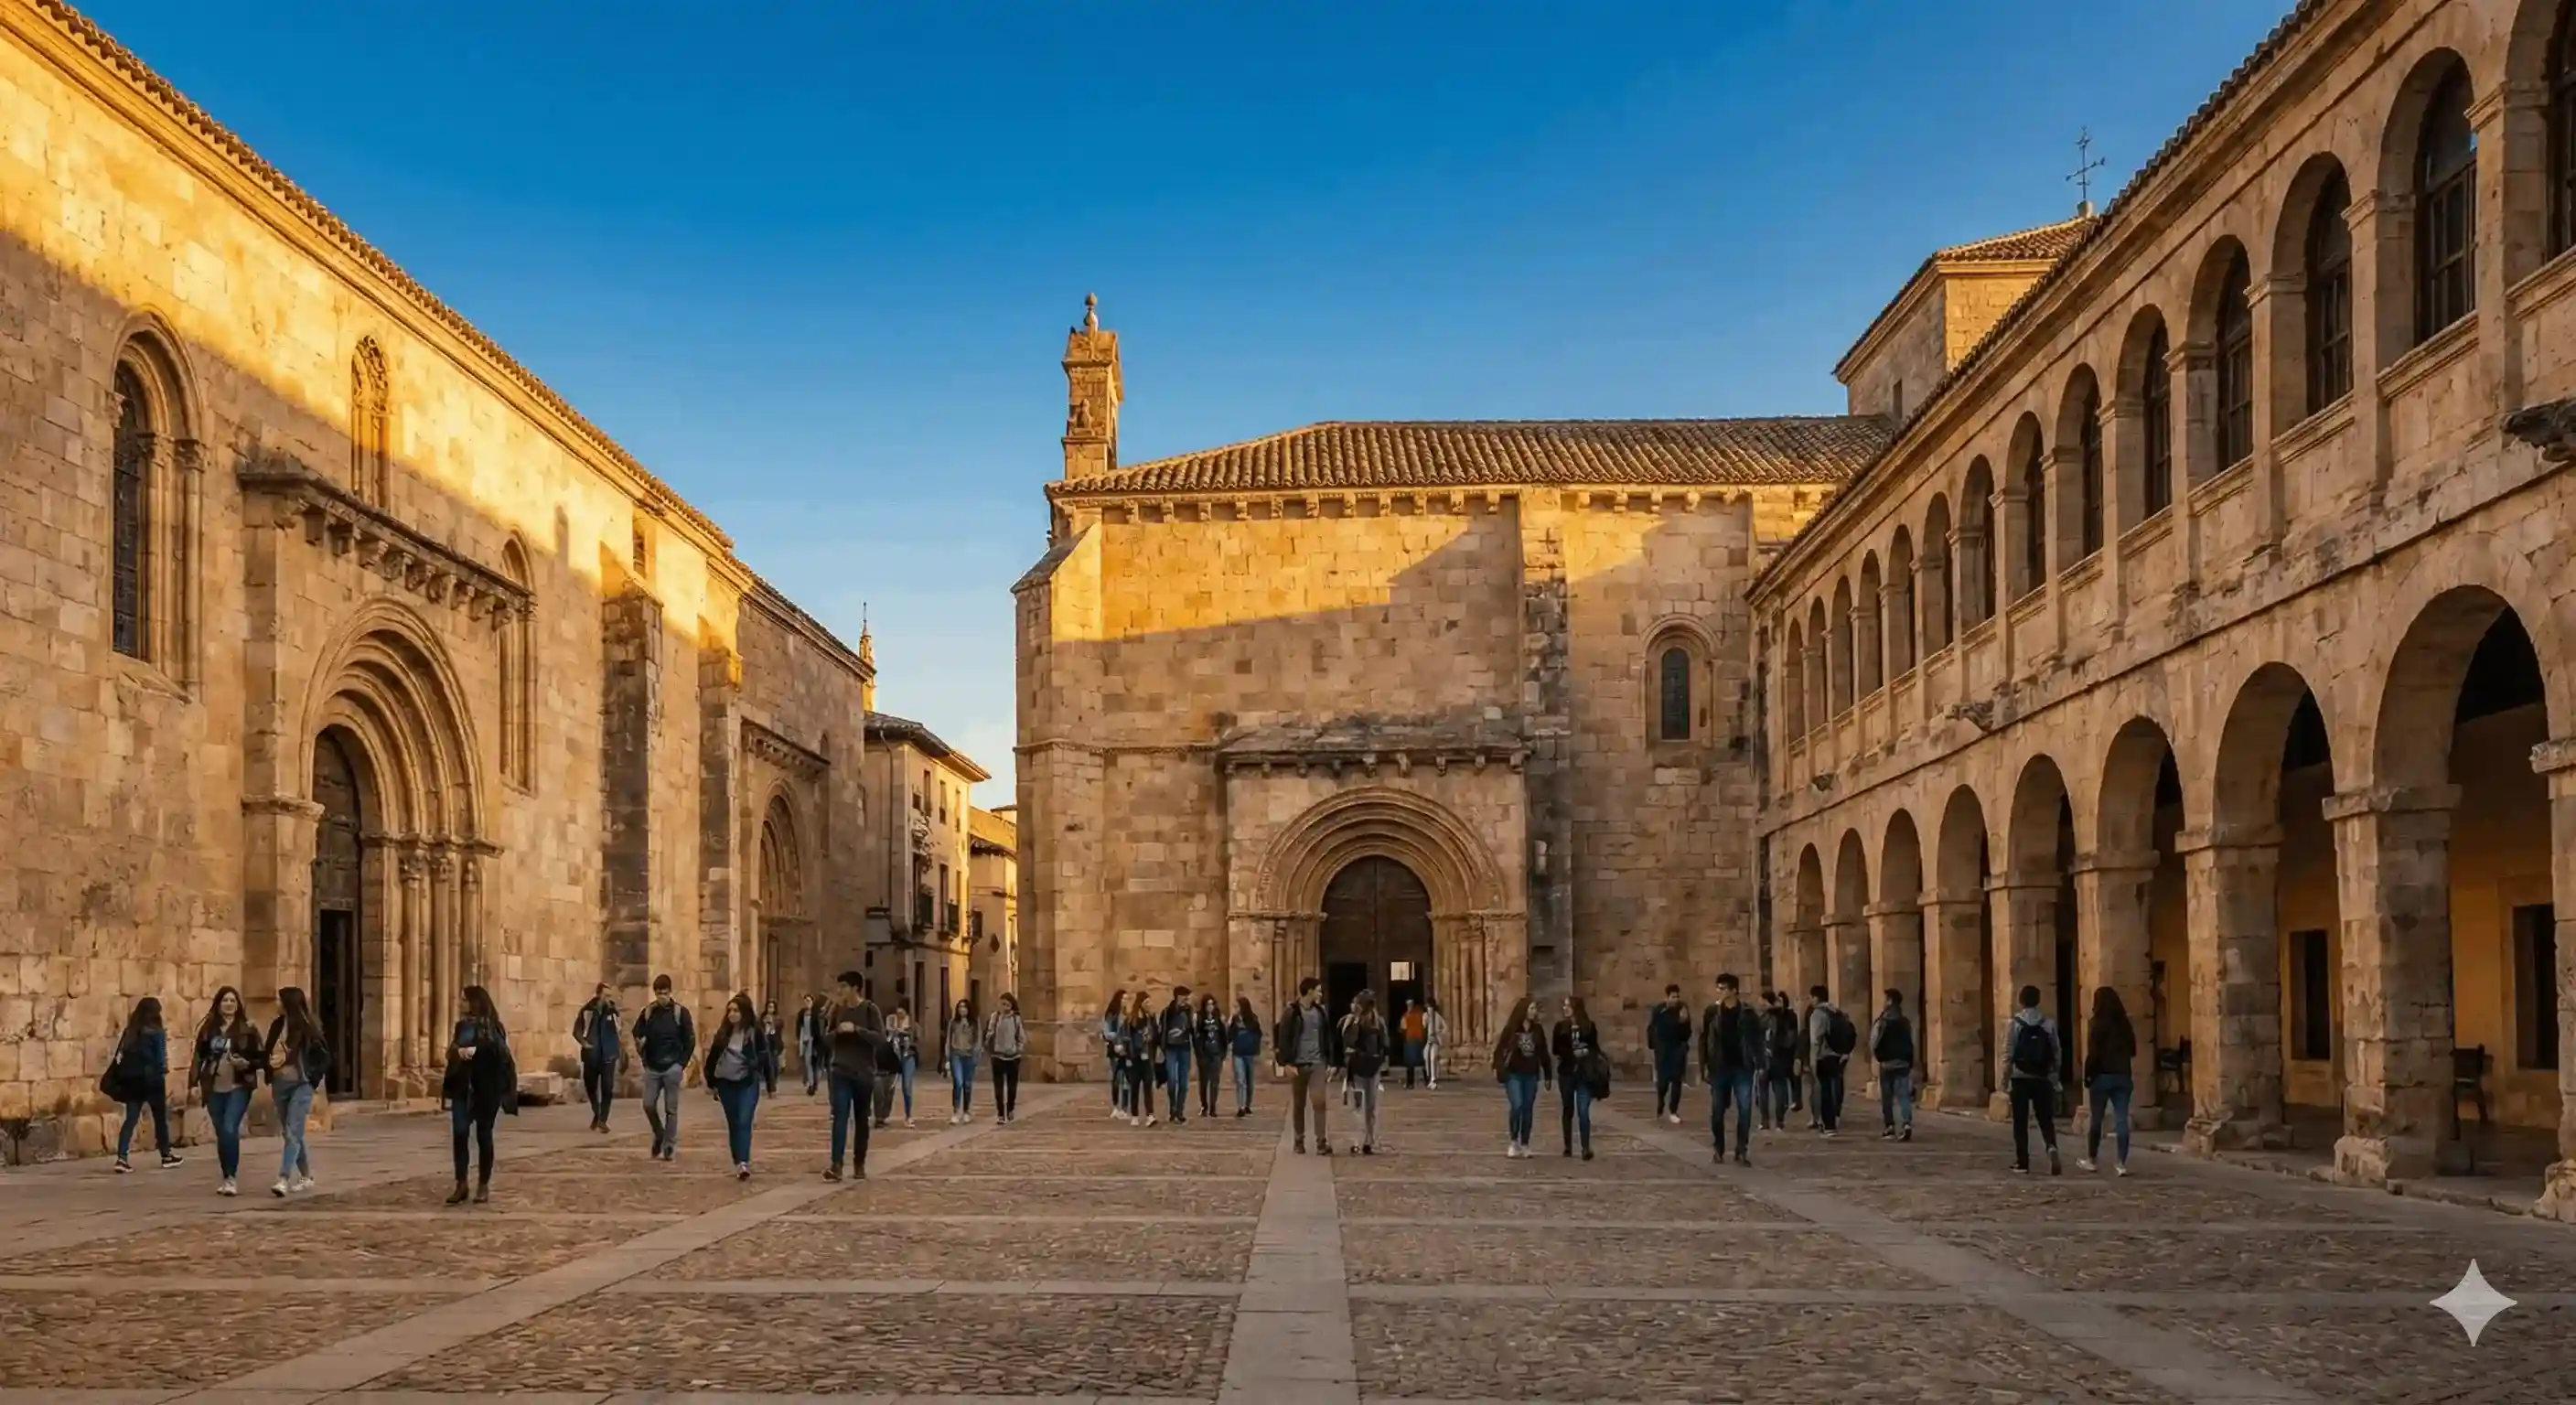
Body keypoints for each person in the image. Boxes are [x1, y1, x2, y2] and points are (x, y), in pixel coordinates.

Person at [442, 984, 516, 1205]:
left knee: (484, 1136)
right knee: (460, 1133)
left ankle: (483, 1184)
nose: (461, 1003)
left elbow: (501, 1054)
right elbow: (451, 1051)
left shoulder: (494, 1027)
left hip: (486, 1089)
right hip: (463, 1087)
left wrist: (477, 1051)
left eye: (464, 1000)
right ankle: (461, 1183)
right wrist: (458, 1052)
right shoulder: (461, 1026)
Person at [190, 987, 261, 1194]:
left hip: (239, 1085)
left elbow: (260, 1058)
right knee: (222, 1133)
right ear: (218, 1004)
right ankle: (226, 1174)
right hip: (214, 1087)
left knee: (230, 1128)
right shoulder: (209, 1029)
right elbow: (198, 1057)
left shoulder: (248, 1029)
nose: (229, 1004)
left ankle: (231, 1178)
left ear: (238, 1004)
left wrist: (245, 1063)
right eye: (225, 1000)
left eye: (232, 1000)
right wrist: (193, 1084)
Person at [263, 986, 328, 1196]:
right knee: (292, 1133)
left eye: (279, 1000)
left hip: (301, 1083)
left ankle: (283, 1178)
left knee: (293, 1131)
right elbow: (267, 1051)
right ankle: (307, 1175)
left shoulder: (307, 1027)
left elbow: (323, 1055)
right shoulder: (276, 1025)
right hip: (280, 1084)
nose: (276, 1004)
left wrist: (312, 1080)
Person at [821, 971, 884, 1181]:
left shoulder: (870, 1010)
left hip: (863, 1072)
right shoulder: (837, 1010)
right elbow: (826, 1040)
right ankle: (836, 1164)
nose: (840, 991)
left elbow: (880, 1039)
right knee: (840, 1116)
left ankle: (859, 1162)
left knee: (861, 1119)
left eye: (844, 986)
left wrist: (857, 1030)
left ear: (856, 988)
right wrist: (838, 1032)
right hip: (840, 1070)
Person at [107, 996, 182, 1174]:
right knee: (160, 1118)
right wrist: (164, 1070)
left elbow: (120, 1056)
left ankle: (122, 1157)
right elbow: (161, 1059)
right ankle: (166, 1155)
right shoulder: (157, 1032)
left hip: (133, 1081)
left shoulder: (130, 1031)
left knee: (131, 1119)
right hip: (153, 1080)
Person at [1699, 973, 1763, 1166]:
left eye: (1724, 988)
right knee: (1717, 1110)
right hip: (1719, 1066)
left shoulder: (1748, 1013)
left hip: (1742, 1066)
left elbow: (1757, 1040)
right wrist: (1704, 1067)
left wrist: (1760, 1064)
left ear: (1734, 990)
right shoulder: (1712, 1012)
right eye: (1719, 988)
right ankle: (1719, 1148)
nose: (1721, 992)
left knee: (1745, 1109)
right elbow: (1704, 1040)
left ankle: (1741, 1150)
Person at [706, 992, 770, 1180]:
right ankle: (738, 1159)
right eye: (729, 1011)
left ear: (744, 1013)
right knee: (734, 1123)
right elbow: (713, 1058)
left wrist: (763, 1075)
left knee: (744, 1120)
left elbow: (764, 1055)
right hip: (727, 1083)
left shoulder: (754, 1032)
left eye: (736, 1010)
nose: (732, 1014)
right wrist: (711, 1082)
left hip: (747, 1082)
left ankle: (743, 1162)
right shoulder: (723, 1033)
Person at [634, 974, 696, 1162]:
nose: (662, 996)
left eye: (665, 992)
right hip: (653, 1066)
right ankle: (659, 1133)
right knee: (648, 1104)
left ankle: (669, 1145)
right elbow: (637, 1034)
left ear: (670, 992)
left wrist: (681, 1064)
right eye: (659, 993)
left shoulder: (680, 1013)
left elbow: (690, 1039)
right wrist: (643, 1055)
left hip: (672, 1067)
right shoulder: (648, 1013)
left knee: (671, 1109)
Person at [1273, 977, 1339, 1154]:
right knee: (1299, 1104)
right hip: (1298, 1064)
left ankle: (1321, 1141)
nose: (1320, 993)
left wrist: (1331, 1062)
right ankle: (1299, 1139)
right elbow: (1283, 1038)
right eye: (1318, 990)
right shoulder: (1292, 1012)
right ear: (1309, 991)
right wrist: (1285, 1063)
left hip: (1317, 1062)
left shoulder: (1320, 1012)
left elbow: (1328, 1038)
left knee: (1319, 1101)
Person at [2078, 986, 2137, 1176]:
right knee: (2122, 1119)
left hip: (2101, 1076)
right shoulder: (2125, 1025)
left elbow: (2093, 1054)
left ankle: (2092, 1159)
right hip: (2122, 1076)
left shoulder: (2097, 1024)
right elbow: (2133, 1050)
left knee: (2096, 1119)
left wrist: (2088, 1075)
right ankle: (2121, 1162)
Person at [2004, 984, 2063, 1174]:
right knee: (2045, 1118)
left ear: (2021, 1001)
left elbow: (2008, 1054)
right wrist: (2054, 1075)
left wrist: (2004, 1080)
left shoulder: (2014, 1024)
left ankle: (2022, 1161)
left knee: (2020, 1121)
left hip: (2019, 1076)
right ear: (2038, 1000)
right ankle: (2051, 1145)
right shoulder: (2048, 1023)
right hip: (2042, 1076)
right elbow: (2056, 1052)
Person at [1490, 995, 1550, 1158]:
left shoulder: (1537, 1030)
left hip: (1530, 1074)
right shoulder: (1511, 1029)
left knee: (1528, 1109)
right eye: (1531, 1008)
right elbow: (1500, 1049)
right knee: (1517, 1105)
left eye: (1534, 1009)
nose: (1534, 1011)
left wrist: (1548, 1073)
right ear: (1523, 1010)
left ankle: (1525, 1143)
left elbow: (1543, 1052)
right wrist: (1497, 1067)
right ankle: (1514, 1141)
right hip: (1514, 1073)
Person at [1550, 996, 1605, 1160]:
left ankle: (1586, 1147)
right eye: (1564, 1005)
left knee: (1583, 1110)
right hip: (1567, 1073)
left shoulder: (1589, 1027)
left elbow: (1595, 1048)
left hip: (1584, 1074)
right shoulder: (1560, 1027)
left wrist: (1586, 1052)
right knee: (1568, 1109)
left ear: (1576, 1008)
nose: (1565, 1009)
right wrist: (1572, 1053)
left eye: (1568, 1006)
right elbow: (1556, 1049)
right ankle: (1567, 1146)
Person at [1339, 989, 1390, 1153]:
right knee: (1365, 1106)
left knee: (1364, 1106)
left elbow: (1384, 1043)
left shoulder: (1374, 1022)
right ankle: (1364, 1140)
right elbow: (1350, 1041)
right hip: (1365, 1069)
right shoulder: (1360, 1022)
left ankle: (1364, 1140)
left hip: (1364, 1068)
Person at [572, 983, 622, 1132]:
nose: (608, 998)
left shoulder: (613, 1012)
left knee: (607, 1088)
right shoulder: (587, 1011)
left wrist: (619, 1050)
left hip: (608, 1055)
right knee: (591, 1087)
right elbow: (577, 1030)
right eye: (606, 995)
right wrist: (584, 1043)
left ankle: (603, 1120)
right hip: (591, 1056)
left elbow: (619, 1031)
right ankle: (597, 1113)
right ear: (599, 994)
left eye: (610, 995)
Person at [1807, 984, 1855, 1137]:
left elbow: (1816, 1039)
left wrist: (1812, 1059)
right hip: (1838, 1054)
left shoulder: (1818, 1014)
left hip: (1824, 1054)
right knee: (1836, 1087)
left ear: (1815, 997)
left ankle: (1829, 1124)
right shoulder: (1836, 1011)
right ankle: (1835, 1117)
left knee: (1825, 1090)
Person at [1871, 989, 1917, 1142]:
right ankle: (1906, 1123)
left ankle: (1889, 1126)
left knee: (1887, 1097)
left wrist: (1877, 1055)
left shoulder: (1882, 1021)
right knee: (1903, 1095)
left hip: (1887, 1063)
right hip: (1903, 1062)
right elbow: (1912, 1041)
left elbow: (1874, 1040)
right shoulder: (1905, 1021)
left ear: (1890, 1001)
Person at [1647, 984, 1691, 1125]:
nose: (1675, 999)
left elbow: (1686, 1034)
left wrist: (1683, 1022)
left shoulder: (1683, 1010)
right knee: (1663, 1083)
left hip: (1677, 1050)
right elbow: (1651, 1028)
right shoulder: (1659, 1010)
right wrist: (1654, 1046)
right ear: (1667, 997)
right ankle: (1661, 1102)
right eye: (1673, 997)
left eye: (1677, 996)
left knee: (1677, 1082)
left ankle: (1673, 1110)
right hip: (1663, 1051)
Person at [1118, 990, 1161, 1128]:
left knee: (1148, 1085)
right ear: (1141, 1004)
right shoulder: (1132, 1020)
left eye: (1150, 1002)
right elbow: (1126, 1038)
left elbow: (1155, 1036)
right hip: (1135, 1057)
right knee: (1135, 1086)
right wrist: (1129, 1056)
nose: (1149, 1004)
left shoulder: (1150, 1019)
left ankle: (1150, 1115)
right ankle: (1135, 1115)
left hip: (1147, 1057)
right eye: (1146, 1002)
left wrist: (1153, 1019)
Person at [1758, 992, 1800, 1131]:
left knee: (1763, 1091)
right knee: (1780, 1090)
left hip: (1766, 1058)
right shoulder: (1785, 1017)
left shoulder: (1763, 1018)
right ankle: (1779, 1121)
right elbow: (1791, 1038)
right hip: (1780, 1058)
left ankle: (1765, 1121)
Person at [986, 992, 1028, 1125]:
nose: (1004, 1007)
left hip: (1013, 1057)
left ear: (1011, 1005)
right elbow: (989, 1033)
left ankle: (1010, 1108)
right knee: (998, 1087)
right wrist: (990, 1039)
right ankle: (1000, 1114)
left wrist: (1018, 1048)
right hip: (998, 1056)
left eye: (1007, 1004)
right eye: (1002, 1003)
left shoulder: (1016, 1019)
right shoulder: (995, 1017)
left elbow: (1022, 1037)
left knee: (1011, 1086)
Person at [1157, 986, 1197, 1124]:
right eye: (1184, 996)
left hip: (1184, 1048)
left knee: (1184, 1082)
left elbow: (1193, 1030)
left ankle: (1179, 1110)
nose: (1187, 999)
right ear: (1178, 996)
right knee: (1172, 1080)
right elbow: (1161, 1030)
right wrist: (1161, 1048)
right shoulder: (1168, 1012)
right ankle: (1173, 1107)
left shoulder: (1189, 1011)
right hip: (1171, 1048)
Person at [881, 1003, 920, 1129]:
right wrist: (893, 1032)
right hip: (893, 1056)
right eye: (898, 1011)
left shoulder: (913, 1024)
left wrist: (908, 1039)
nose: (900, 1013)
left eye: (902, 1011)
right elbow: (886, 1036)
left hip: (908, 1056)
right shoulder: (891, 1020)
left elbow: (918, 1039)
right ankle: (883, 1114)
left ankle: (908, 1115)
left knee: (906, 1087)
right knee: (889, 1086)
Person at [943, 997, 981, 1125]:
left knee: (967, 1084)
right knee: (958, 1082)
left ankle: (966, 1111)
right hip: (956, 1055)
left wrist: (976, 1054)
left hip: (969, 1056)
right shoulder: (953, 1023)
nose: (962, 1009)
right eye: (960, 1007)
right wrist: (947, 1058)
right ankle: (956, 1111)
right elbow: (948, 1040)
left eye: (964, 1007)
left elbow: (978, 1040)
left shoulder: (974, 1024)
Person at [1227, 996, 1263, 1116]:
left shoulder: (1253, 1019)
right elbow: (1229, 1036)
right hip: (1238, 1052)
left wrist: (1257, 1050)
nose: (1235, 1008)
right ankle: (1241, 1106)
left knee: (1249, 1080)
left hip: (1249, 1052)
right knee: (1240, 1079)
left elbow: (1258, 1035)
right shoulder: (1235, 1020)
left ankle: (1248, 1104)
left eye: (1237, 1006)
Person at [1192, 993, 1226, 1120]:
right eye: (1208, 1004)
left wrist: (1223, 1052)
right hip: (1204, 1053)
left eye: (1212, 1004)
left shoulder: (1218, 1018)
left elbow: (1223, 1035)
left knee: (1215, 1081)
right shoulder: (1200, 1018)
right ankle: (1204, 1105)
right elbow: (1197, 1036)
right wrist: (1199, 1052)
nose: (1210, 1007)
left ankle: (1213, 1106)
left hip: (1216, 1053)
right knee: (1204, 1081)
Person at [1100, 988, 1131, 1122]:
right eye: (1124, 998)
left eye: (1127, 999)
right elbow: (1107, 1032)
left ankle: (1125, 1108)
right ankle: (1116, 1107)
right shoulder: (1112, 1015)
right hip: (1115, 1049)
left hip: (1126, 1049)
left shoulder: (1128, 1015)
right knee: (1117, 1077)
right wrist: (1117, 1038)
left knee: (1127, 1079)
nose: (1126, 1001)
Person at [796, 995, 825, 1097]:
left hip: (814, 1041)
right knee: (806, 1062)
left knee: (815, 1064)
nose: (807, 1003)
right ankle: (810, 1082)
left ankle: (813, 1083)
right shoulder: (802, 1014)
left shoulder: (816, 1014)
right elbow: (800, 1027)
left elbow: (819, 1030)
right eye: (805, 1001)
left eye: (809, 1001)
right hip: (805, 1040)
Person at [758, 999, 786, 1097]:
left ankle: (773, 1084)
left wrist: (773, 1027)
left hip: (775, 1044)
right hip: (765, 1044)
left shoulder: (778, 1019)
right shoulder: (762, 1018)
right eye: (769, 1007)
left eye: (772, 1007)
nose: (770, 1009)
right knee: (769, 1067)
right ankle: (771, 1088)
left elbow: (779, 1032)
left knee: (775, 1066)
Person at [1400, 1000, 1428, 1089]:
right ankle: (1427, 1081)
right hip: (1418, 1039)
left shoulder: (1406, 1016)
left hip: (1411, 1039)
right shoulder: (1421, 1015)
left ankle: (1410, 1083)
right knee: (1423, 1061)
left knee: (1410, 1063)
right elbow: (1425, 1026)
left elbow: (1403, 1027)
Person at [1422, 998, 1447, 1089]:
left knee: (1433, 1058)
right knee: (1426, 1056)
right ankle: (1429, 1076)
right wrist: (1427, 1019)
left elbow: (1445, 1028)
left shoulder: (1438, 1017)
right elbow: (1424, 1025)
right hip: (1429, 1040)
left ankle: (1434, 1078)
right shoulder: (1425, 1015)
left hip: (1435, 1040)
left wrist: (1438, 1032)